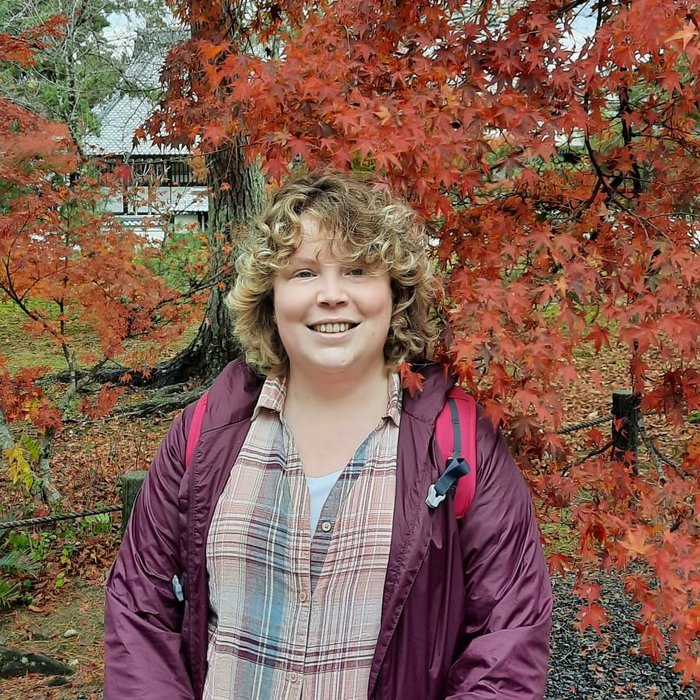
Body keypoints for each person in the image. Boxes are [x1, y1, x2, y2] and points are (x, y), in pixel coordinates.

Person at [104, 168, 552, 699]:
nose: (331, 295)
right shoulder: (207, 434)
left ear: (395, 294)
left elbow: (507, 644)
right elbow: (140, 613)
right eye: (303, 273)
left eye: (358, 270)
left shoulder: (457, 445)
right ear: (270, 296)